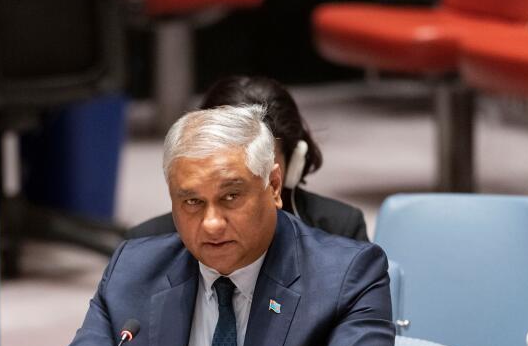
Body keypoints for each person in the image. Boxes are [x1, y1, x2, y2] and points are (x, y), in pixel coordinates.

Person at [9, 105, 398, 346]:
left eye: (231, 197)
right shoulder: (136, 271)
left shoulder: (347, 273)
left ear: (274, 186)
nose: (211, 224)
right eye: (192, 202)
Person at [126, 75, 369, 242]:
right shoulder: (144, 243)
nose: (249, 171)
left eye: (264, 158)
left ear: (292, 164)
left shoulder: (339, 231)